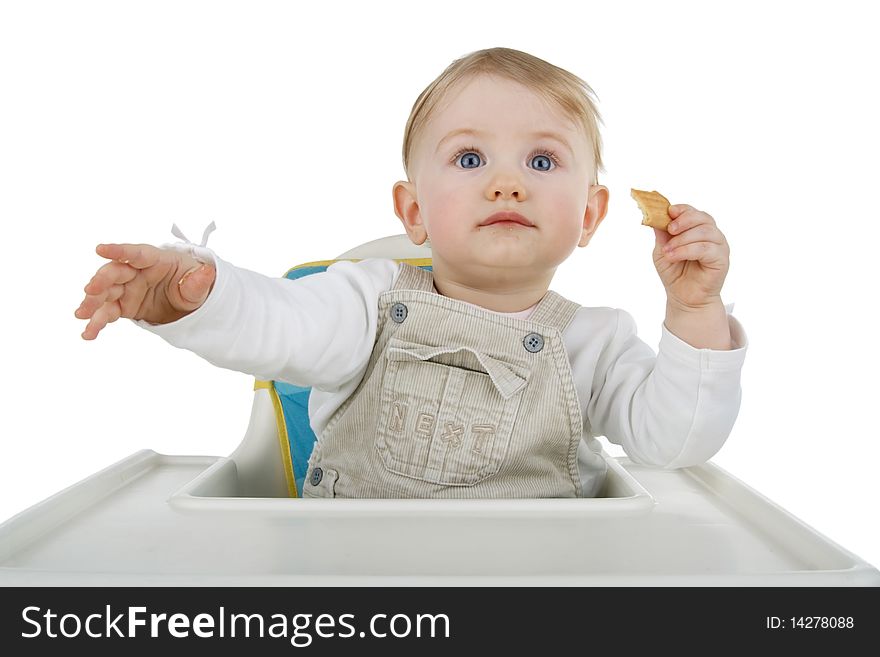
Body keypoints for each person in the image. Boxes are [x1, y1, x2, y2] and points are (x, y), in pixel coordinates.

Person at [75, 47, 747, 499]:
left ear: (591, 215)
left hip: (540, 589)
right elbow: (279, 324)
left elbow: (676, 443)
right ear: (414, 210)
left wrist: (694, 311)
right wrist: (201, 297)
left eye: (542, 162)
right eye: (469, 159)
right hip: (358, 588)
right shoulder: (362, 302)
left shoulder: (596, 345)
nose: (508, 182)